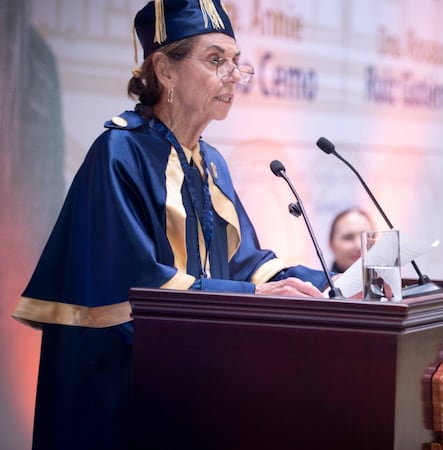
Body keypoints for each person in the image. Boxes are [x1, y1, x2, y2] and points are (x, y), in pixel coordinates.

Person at [11, 2, 328, 448]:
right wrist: (254, 296)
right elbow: (135, 286)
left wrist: (335, 286)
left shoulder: (210, 162)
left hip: (193, 382)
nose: (233, 76)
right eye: (216, 60)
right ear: (166, 70)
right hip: (121, 392)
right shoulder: (118, 152)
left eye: (236, 63)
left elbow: (245, 265)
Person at [328, 208, 374, 273]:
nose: (359, 246)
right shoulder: (318, 283)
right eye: (348, 237)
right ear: (331, 244)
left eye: (367, 237)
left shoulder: (390, 281)